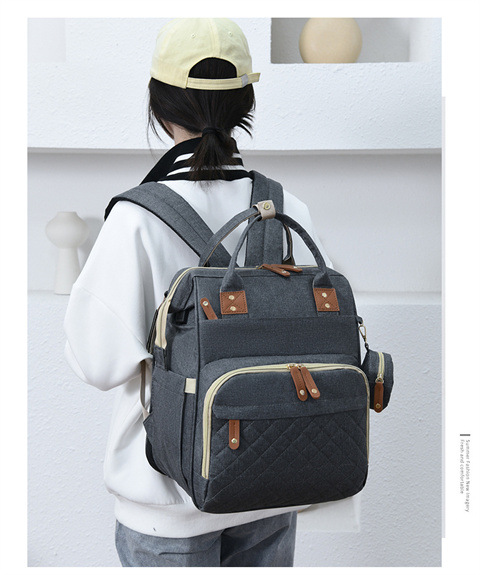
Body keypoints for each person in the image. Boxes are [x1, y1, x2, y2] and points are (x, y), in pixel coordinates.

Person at [64, 18, 340, 567]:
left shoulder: (138, 218)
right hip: (269, 486)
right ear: (245, 103)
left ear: (158, 103)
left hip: (167, 504)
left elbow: (96, 362)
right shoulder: (288, 210)